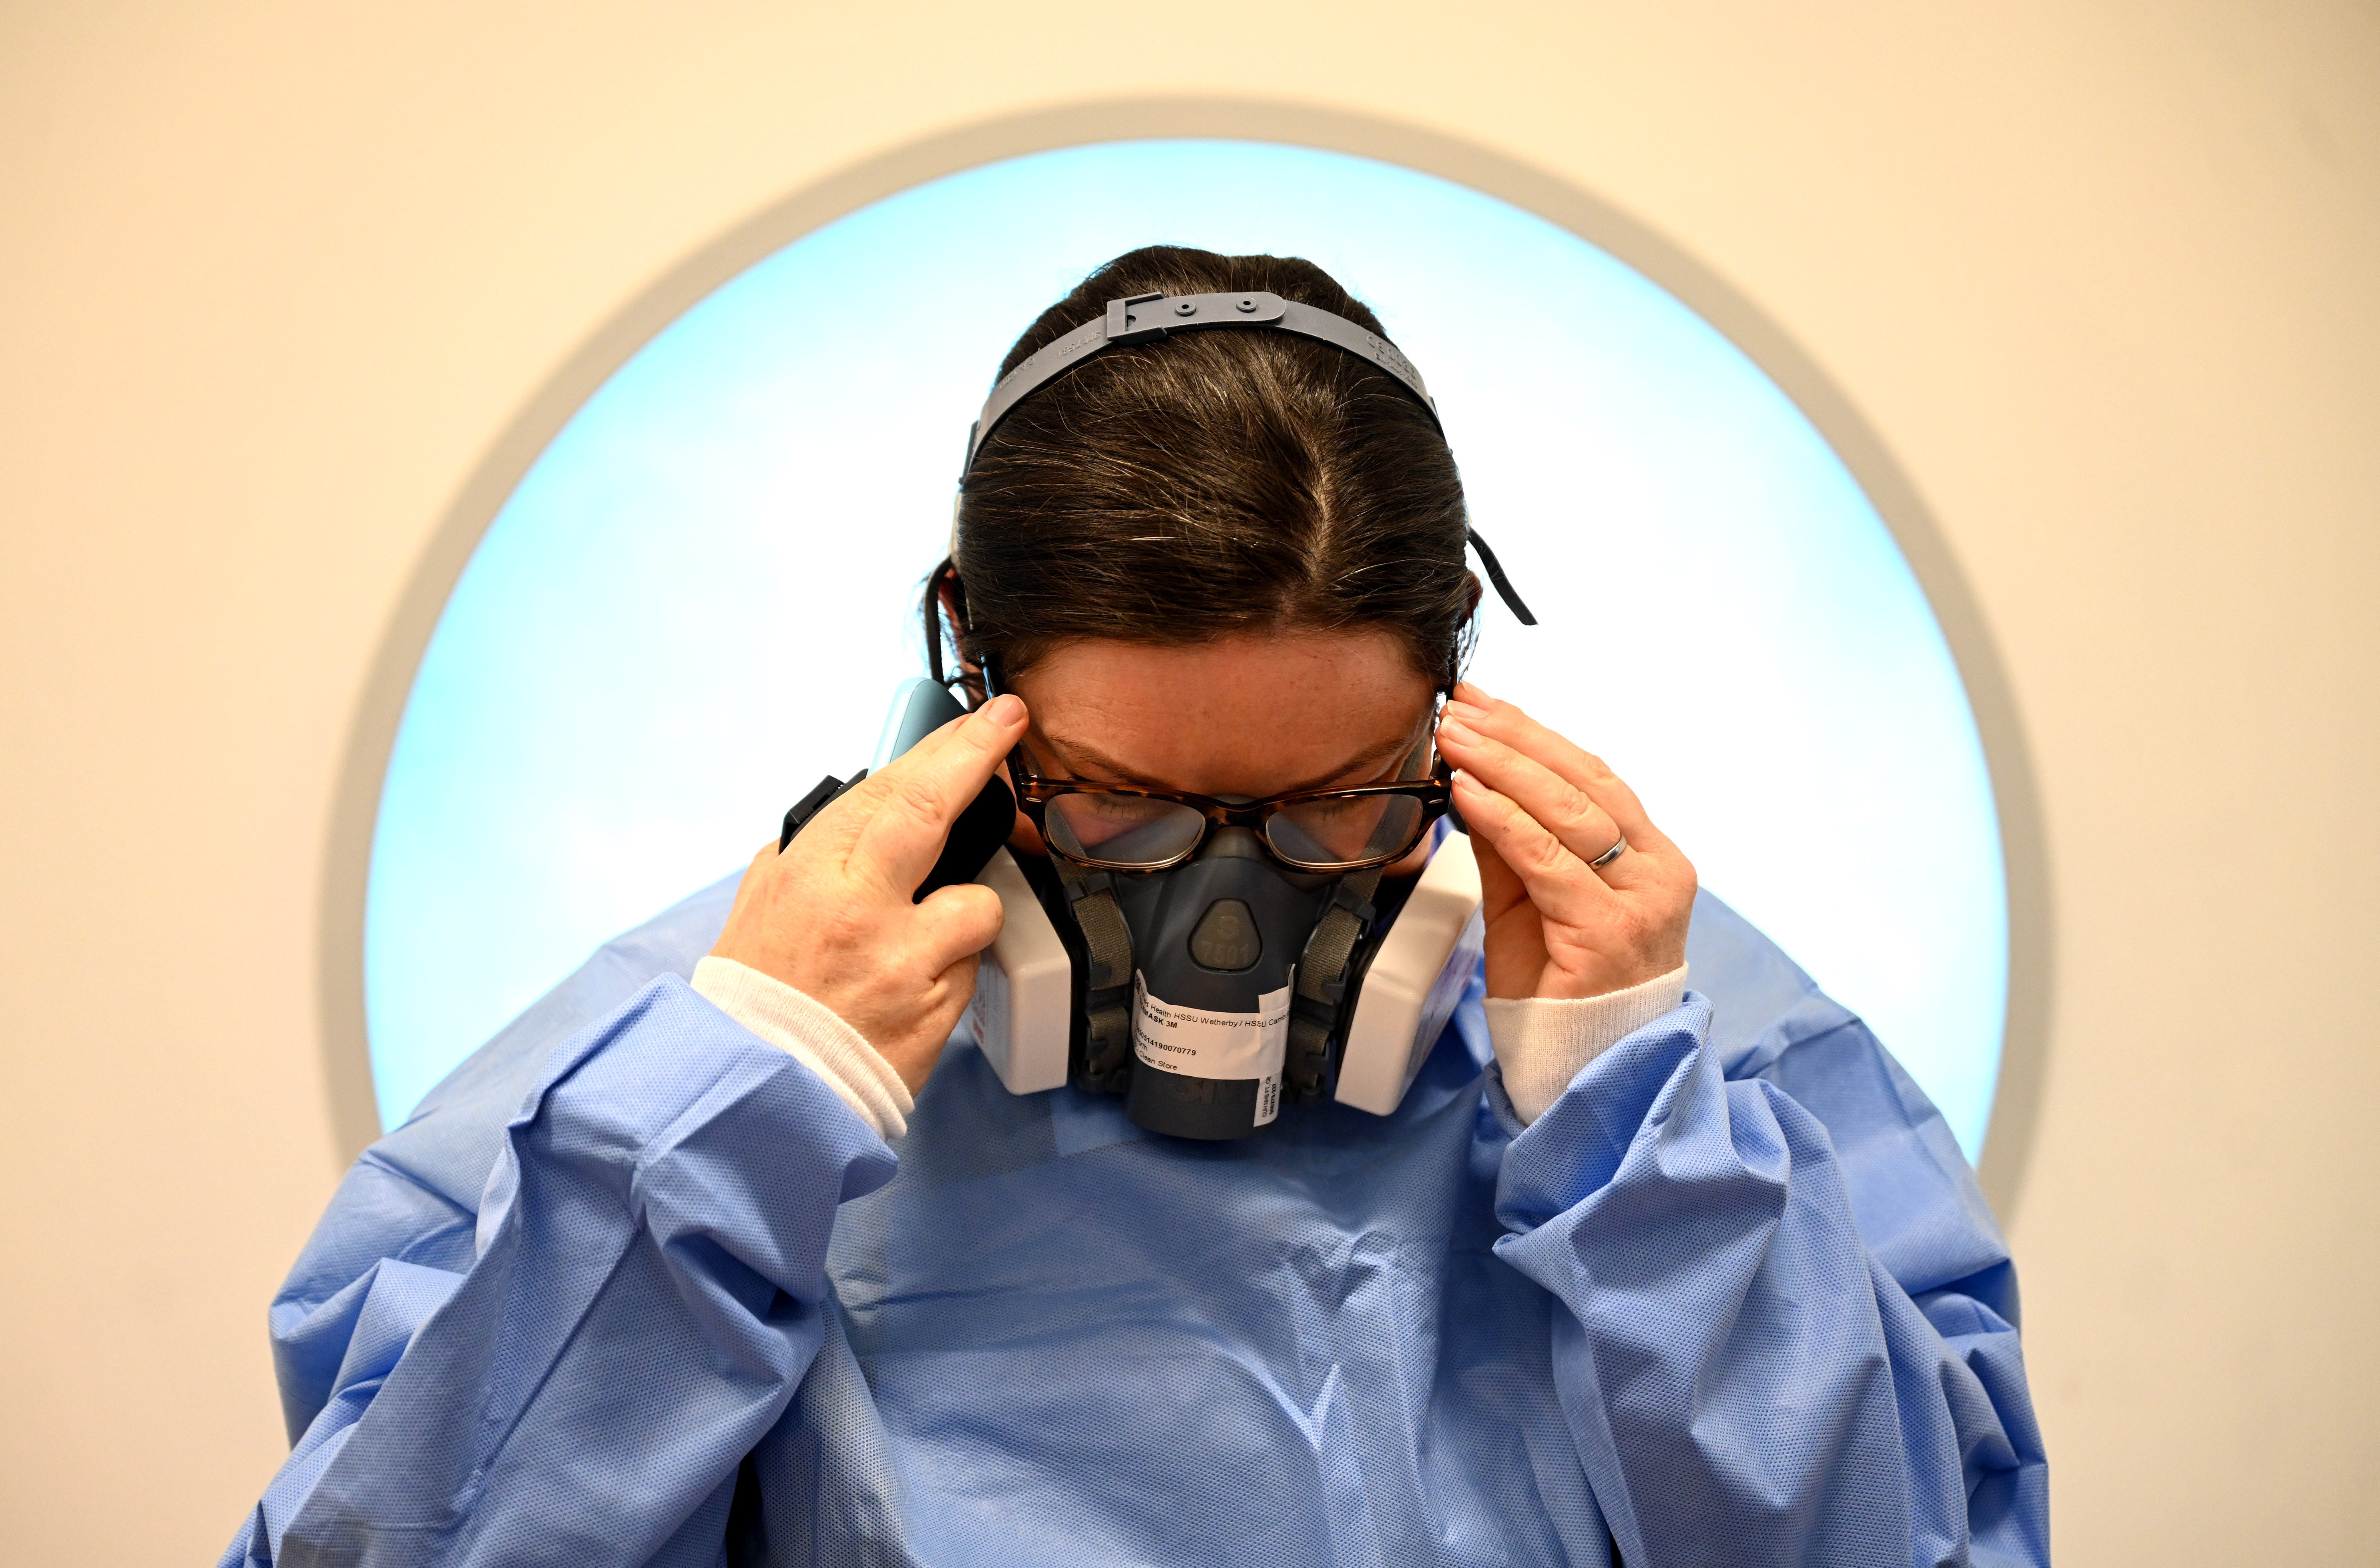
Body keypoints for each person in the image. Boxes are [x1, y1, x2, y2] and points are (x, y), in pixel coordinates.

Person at [223, 248, 2047, 1567]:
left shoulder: (1672, 1052)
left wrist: (1644, 1155)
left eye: (1341, 806)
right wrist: (716, 1134)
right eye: (1118, 806)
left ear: (1451, 701)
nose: (1228, 926)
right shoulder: (724, 1052)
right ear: (972, 678)